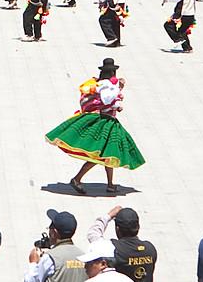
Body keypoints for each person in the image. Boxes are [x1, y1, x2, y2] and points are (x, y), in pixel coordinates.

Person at [45, 58, 146, 194]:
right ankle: (77, 179)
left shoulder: (104, 83)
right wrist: (118, 89)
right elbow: (106, 100)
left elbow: (109, 101)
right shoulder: (105, 84)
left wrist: (117, 99)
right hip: (103, 122)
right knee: (99, 155)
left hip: (109, 120)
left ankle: (110, 184)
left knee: (110, 153)